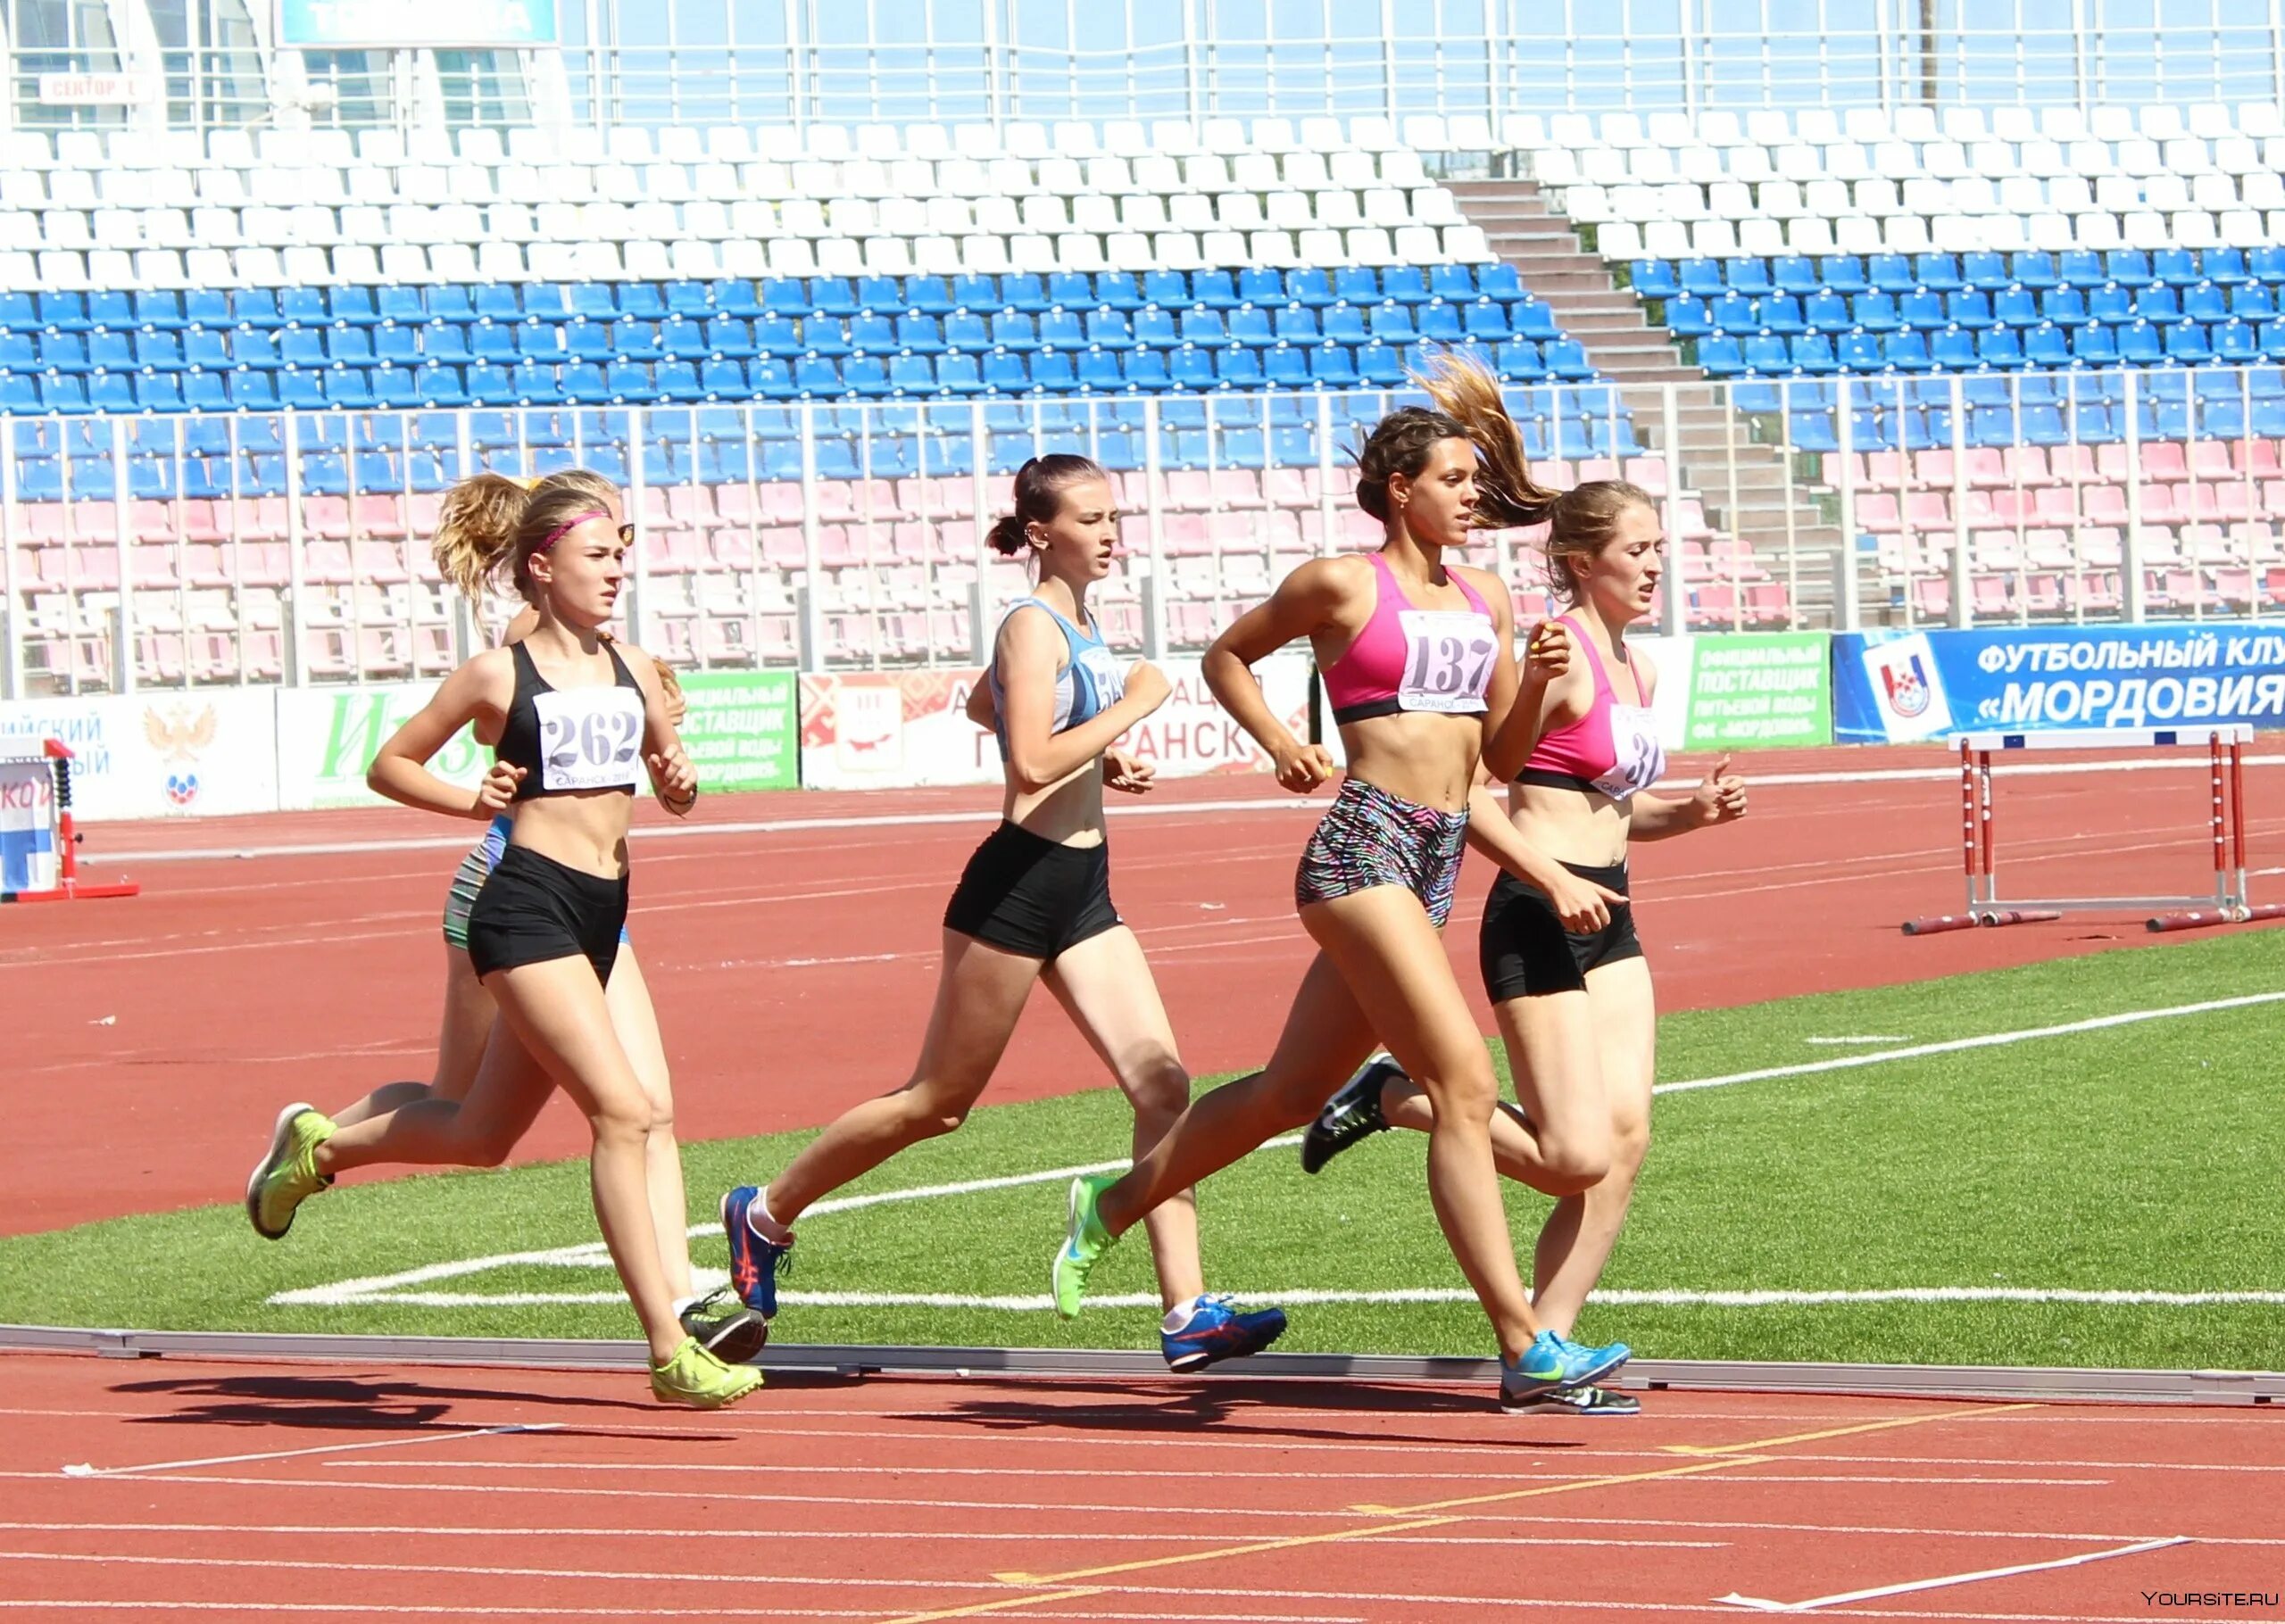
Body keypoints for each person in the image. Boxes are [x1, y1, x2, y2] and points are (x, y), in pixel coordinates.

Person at [1047, 360, 1631, 1410]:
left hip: (1438, 854)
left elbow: (1496, 758)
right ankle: (1524, 1343)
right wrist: (1280, 740)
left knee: (1288, 1091)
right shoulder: (1341, 582)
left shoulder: (1486, 597)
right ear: (1400, 488)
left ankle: (1114, 1200)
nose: (1469, 496)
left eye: (1473, 480)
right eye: (1452, 478)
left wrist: (1540, 683)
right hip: (1360, 848)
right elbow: (1227, 655)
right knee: (1458, 1079)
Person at [717, 455, 1285, 1371]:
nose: (1110, 532)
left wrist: (1098, 759)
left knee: (1164, 1087)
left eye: (1113, 516)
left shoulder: (1077, 619)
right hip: (1017, 888)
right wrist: (1132, 711)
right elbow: (1027, 762)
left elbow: (989, 705)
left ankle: (1187, 1310)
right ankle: (765, 1211)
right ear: (1038, 533)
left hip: (1084, 888)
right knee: (937, 1104)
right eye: (1090, 518)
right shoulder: (1031, 623)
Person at [244, 471, 760, 1409]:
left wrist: (678, 780)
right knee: (623, 1109)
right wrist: (467, 796)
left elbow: (661, 776)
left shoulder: (631, 664)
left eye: (624, 549)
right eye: (602, 548)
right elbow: (392, 760)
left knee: (486, 1128)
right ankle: (670, 1335)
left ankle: (316, 1151)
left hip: (604, 908)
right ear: (544, 557)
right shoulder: (510, 660)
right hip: (514, 899)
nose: (619, 565)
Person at [1301, 481, 1748, 1416]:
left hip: (1611, 912)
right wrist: (1552, 877)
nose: (1655, 564)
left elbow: (1618, 812)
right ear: (1582, 560)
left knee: (1625, 1146)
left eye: (1660, 546)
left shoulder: (1643, 669)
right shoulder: (1555, 653)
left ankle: (1543, 1347)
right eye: (1636, 549)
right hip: (1539, 914)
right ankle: (1392, 1095)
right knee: (1572, 1155)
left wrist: (1692, 815)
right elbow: (1476, 790)